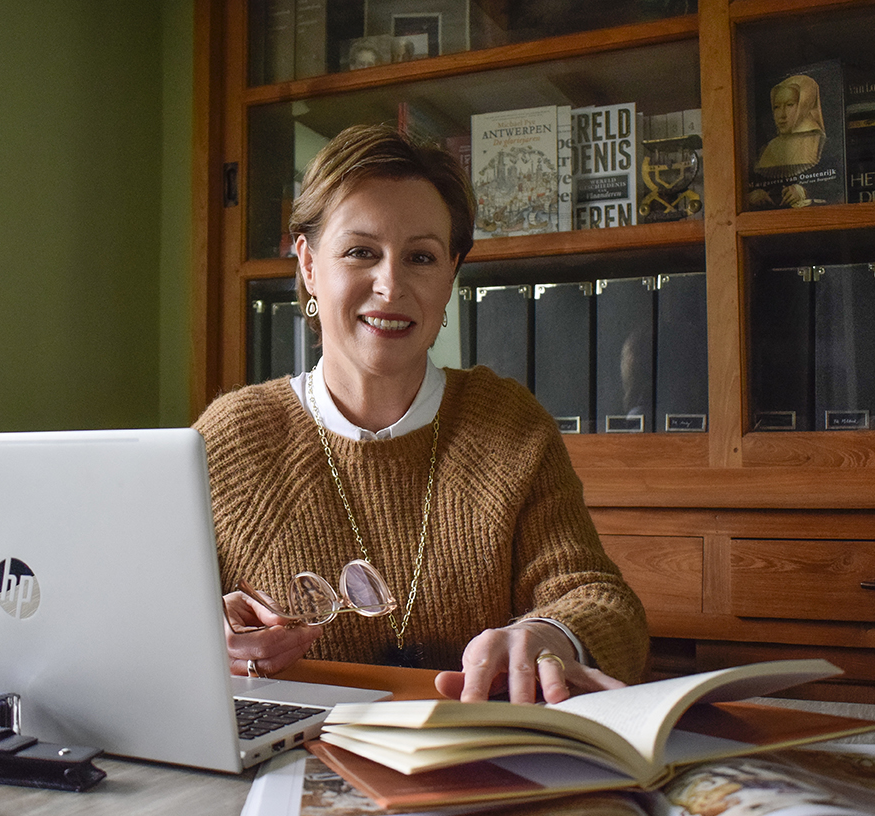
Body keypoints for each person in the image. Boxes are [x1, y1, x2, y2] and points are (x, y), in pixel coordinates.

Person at [195, 124, 648, 704]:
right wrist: (205, 635)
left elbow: (598, 599)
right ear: (308, 265)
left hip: (475, 763)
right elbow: (141, 620)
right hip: (288, 761)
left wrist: (549, 633)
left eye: (421, 257)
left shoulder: (509, 425)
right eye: (361, 252)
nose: (391, 285)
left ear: (451, 275)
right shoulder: (230, 439)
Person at [747, 74, 827, 209]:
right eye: (777, 107)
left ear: (804, 105)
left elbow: (834, 185)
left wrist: (803, 191)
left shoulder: (823, 144)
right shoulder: (766, 149)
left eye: (790, 105)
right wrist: (751, 195)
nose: (782, 115)